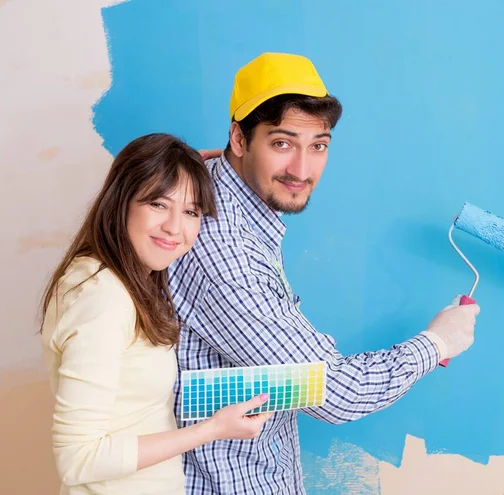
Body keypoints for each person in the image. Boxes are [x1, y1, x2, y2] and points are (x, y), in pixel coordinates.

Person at [168, 53, 480, 494]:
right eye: (282, 143)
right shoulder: (222, 253)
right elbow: (336, 393)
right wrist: (437, 342)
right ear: (238, 138)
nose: (301, 169)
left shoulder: (211, 181)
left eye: (318, 145)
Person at [40, 133, 272, 495]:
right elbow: (78, 458)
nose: (175, 228)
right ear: (122, 200)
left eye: (192, 211)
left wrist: (184, 167)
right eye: (158, 205)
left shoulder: (116, 279)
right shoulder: (103, 297)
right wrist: (211, 430)